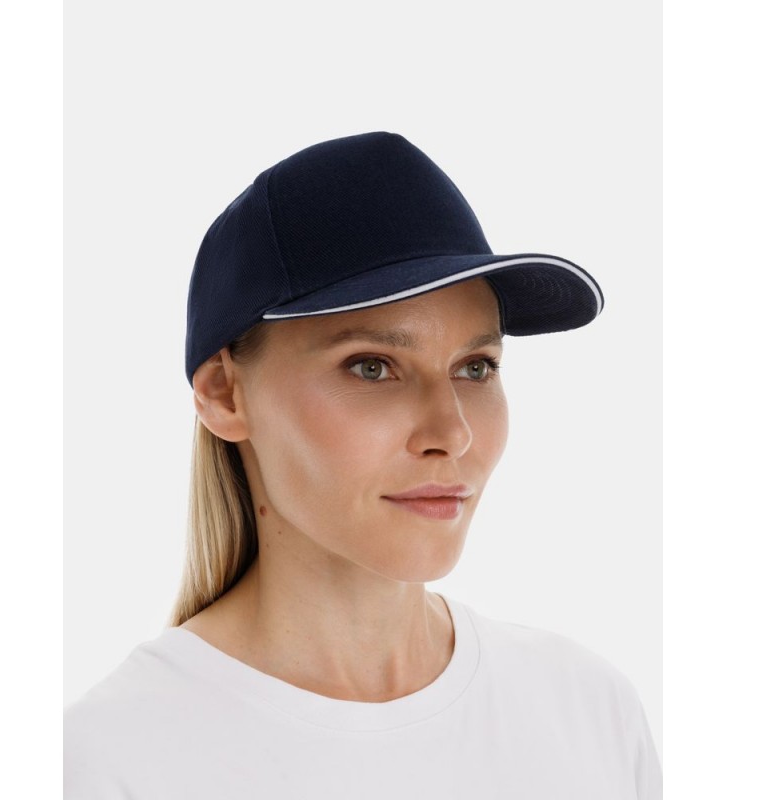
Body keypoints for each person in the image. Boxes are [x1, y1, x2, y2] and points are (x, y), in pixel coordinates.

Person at [64, 131, 662, 799]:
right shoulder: (106, 762)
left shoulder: (589, 715)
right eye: (373, 367)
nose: (452, 433)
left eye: (476, 367)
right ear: (225, 394)